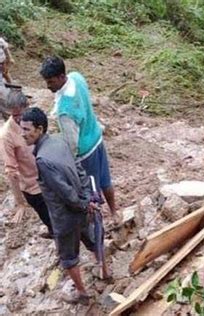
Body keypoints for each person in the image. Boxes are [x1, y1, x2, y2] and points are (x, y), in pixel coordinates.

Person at [21, 107, 110, 305]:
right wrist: (88, 199)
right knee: (93, 239)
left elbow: (65, 193)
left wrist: (82, 203)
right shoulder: (60, 142)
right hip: (83, 208)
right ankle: (105, 271)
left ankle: (82, 293)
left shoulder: (43, 159)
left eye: (27, 130)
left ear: (40, 129)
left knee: (68, 257)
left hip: (65, 217)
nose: (23, 134)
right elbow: (79, 168)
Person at [39, 56, 118, 220]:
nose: (48, 86)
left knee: (91, 193)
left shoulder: (65, 111)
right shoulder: (76, 77)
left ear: (61, 77)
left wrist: (69, 165)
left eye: (51, 81)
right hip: (96, 137)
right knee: (105, 181)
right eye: (46, 81)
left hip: (86, 152)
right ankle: (114, 212)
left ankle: (97, 227)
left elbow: (72, 144)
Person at [0, 91, 53, 237]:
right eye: (14, 115)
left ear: (27, 107)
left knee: (61, 214)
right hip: (34, 187)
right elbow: (11, 172)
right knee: (49, 218)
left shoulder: (34, 120)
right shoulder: (6, 136)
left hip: (49, 176)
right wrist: (20, 203)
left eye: (20, 114)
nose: (18, 119)